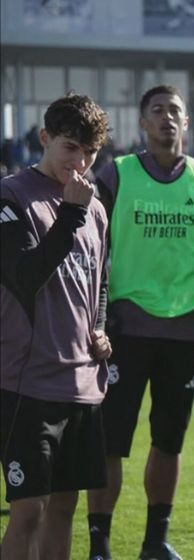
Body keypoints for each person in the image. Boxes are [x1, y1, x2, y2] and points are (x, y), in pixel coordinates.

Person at [87, 84, 194, 560]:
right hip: (125, 332)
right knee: (112, 443)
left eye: (175, 111)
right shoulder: (116, 176)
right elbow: (93, 252)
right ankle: (100, 544)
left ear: (187, 123)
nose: (167, 118)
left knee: (169, 442)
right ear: (142, 123)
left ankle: (156, 542)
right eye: (157, 111)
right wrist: (95, 317)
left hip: (183, 331)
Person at [1, 93, 112, 559]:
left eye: (89, 152)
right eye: (70, 147)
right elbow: (24, 275)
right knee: (29, 510)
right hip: (27, 381)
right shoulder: (12, 196)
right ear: (45, 139)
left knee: (65, 507)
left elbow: (101, 279)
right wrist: (69, 214)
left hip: (82, 382)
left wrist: (101, 327)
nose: (80, 161)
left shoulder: (96, 207)